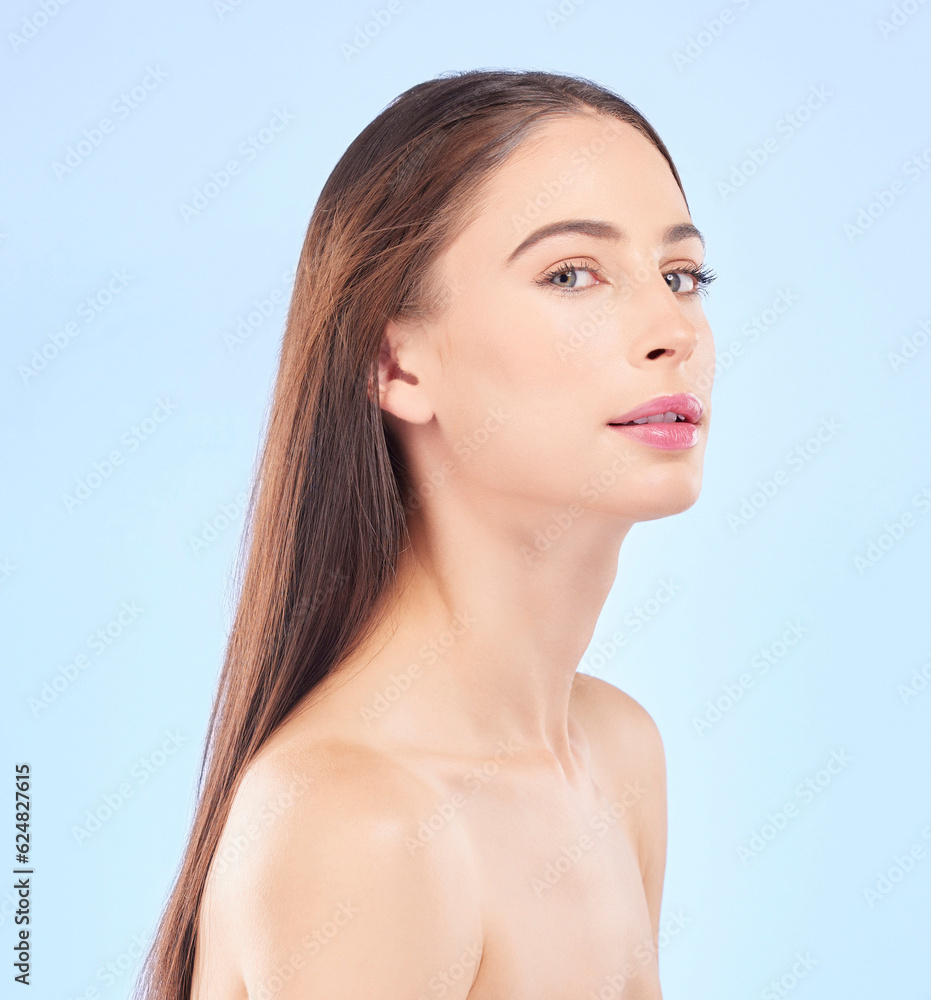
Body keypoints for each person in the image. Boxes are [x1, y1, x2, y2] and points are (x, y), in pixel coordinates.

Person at [134, 68, 716, 1000]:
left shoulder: (614, 755)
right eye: (572, 273)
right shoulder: (359, 826)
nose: (671, 329)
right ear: (396, 363)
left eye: (681, 275)